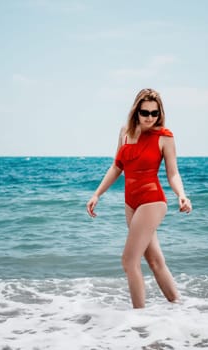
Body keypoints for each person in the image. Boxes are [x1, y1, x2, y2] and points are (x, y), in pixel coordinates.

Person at [86, 88, 192, 309]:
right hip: (130, 202)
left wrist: (181, 195)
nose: (150, 118)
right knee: (154, 261)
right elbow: (117, 166)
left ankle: (138, 319)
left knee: (128, 261)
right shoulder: (125, 132)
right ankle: (180, 307)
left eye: (155, 113)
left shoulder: (164, 137)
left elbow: (173, 173)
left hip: (152, 200)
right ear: (136, 111)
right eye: (145, 112)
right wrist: (97, 194)